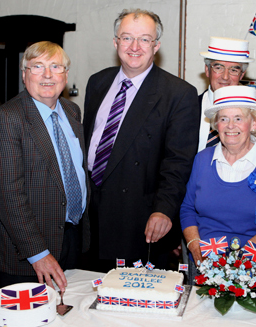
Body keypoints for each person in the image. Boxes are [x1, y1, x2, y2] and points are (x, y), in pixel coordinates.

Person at [83, 9, 199, 271]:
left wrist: (164, 210)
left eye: (144, 39)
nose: (134, 47)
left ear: (156, 46)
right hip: (91, 217)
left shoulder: (179, 94)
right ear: (115, 42)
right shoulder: (97, 82)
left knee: (134, 304)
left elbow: (178, 163)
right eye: (127, 38)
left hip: (140, 220)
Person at [0, 41, 89, 292]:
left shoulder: (72, 111)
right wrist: (37, 253)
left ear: (65, 74)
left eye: (56, 66)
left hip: (72, 239)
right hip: (27, 252)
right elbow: (8, 196)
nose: (47, 75)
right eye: (37, 67)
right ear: (24, 75)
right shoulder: (7, 118)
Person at [180, 86, 256, 297]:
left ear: (254, 123)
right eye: (223, 119)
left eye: (238, 118)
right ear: (216, 125)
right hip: (205, 264)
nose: (230, 126)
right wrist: (194, 245)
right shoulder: (202, 159)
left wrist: (239, 260)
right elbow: (187, 209)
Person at [198, 36, 256, 151]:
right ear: (207, 70)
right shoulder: (189, 107)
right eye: (218, 67)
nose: (225, 76)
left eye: (233, 70)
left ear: (242, 75)